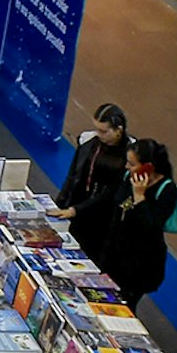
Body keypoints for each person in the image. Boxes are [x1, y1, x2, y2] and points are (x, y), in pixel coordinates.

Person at [101, 139, 177, 313]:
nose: (127, 166)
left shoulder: (167, 191)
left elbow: (150, 228)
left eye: (132, 163)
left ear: (148, 167)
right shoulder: (129, 177)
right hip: (116, 254)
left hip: (140, 265)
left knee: (125, 306)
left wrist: (139, 196)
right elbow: (117, 206)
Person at [50, 102, 131, 256]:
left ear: (118, 130)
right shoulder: (88, 143)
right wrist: (60, 203)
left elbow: (110, 194)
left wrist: (75, 210)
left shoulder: (128, 157)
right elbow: (73, 176)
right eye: (97, 129)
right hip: (76, 209)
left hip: (102, 220)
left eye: (104, 131)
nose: (99, 134)